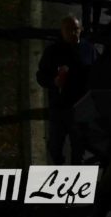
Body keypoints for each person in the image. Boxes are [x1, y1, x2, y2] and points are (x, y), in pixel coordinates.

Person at [36, 15, 96, 164]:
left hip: (81, 109)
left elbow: (98, 73)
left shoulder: (89, 49)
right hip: (59, 108)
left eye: (76, 29)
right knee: (55, 147)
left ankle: (75, 175)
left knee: (79, 150)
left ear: (81, 29)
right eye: (68, 30)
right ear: (62, 31)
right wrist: (53, 82)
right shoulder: (53, 51)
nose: (73, 33)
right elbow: (41, 76)